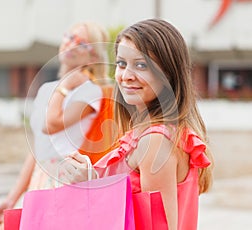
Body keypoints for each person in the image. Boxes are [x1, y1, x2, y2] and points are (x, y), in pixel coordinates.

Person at [61, 18, 214, 230]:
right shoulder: (150, 134)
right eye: (121, 63)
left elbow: (156, 226)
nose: (126, 76)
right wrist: (91, 178)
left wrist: (89, 187)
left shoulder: (155, 141)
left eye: (141, 65)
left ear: (168, 74)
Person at [0, 21, 112, 227]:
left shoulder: (91, 91)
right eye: (68, 37)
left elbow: (51, 125)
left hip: (67, 178)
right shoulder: (47, 89)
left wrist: (63, 88)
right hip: (41, 178)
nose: (70, 44)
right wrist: (13, 197)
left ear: (93, 56)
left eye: (80, 42)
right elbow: (38, 148)